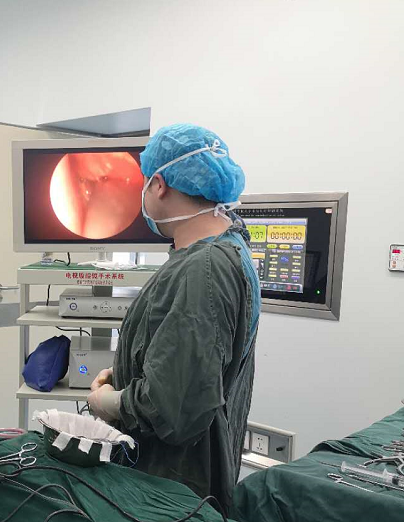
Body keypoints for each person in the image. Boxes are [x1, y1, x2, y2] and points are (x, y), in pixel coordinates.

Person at [87, 123, 260, 514]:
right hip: (179, 473)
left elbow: (174, 407)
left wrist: (109, 402)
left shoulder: (205, 268)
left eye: (145, 183)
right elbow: (190, 359)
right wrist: (126, 372)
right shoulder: (224, 248)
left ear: (159, 185)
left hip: (170, 484)